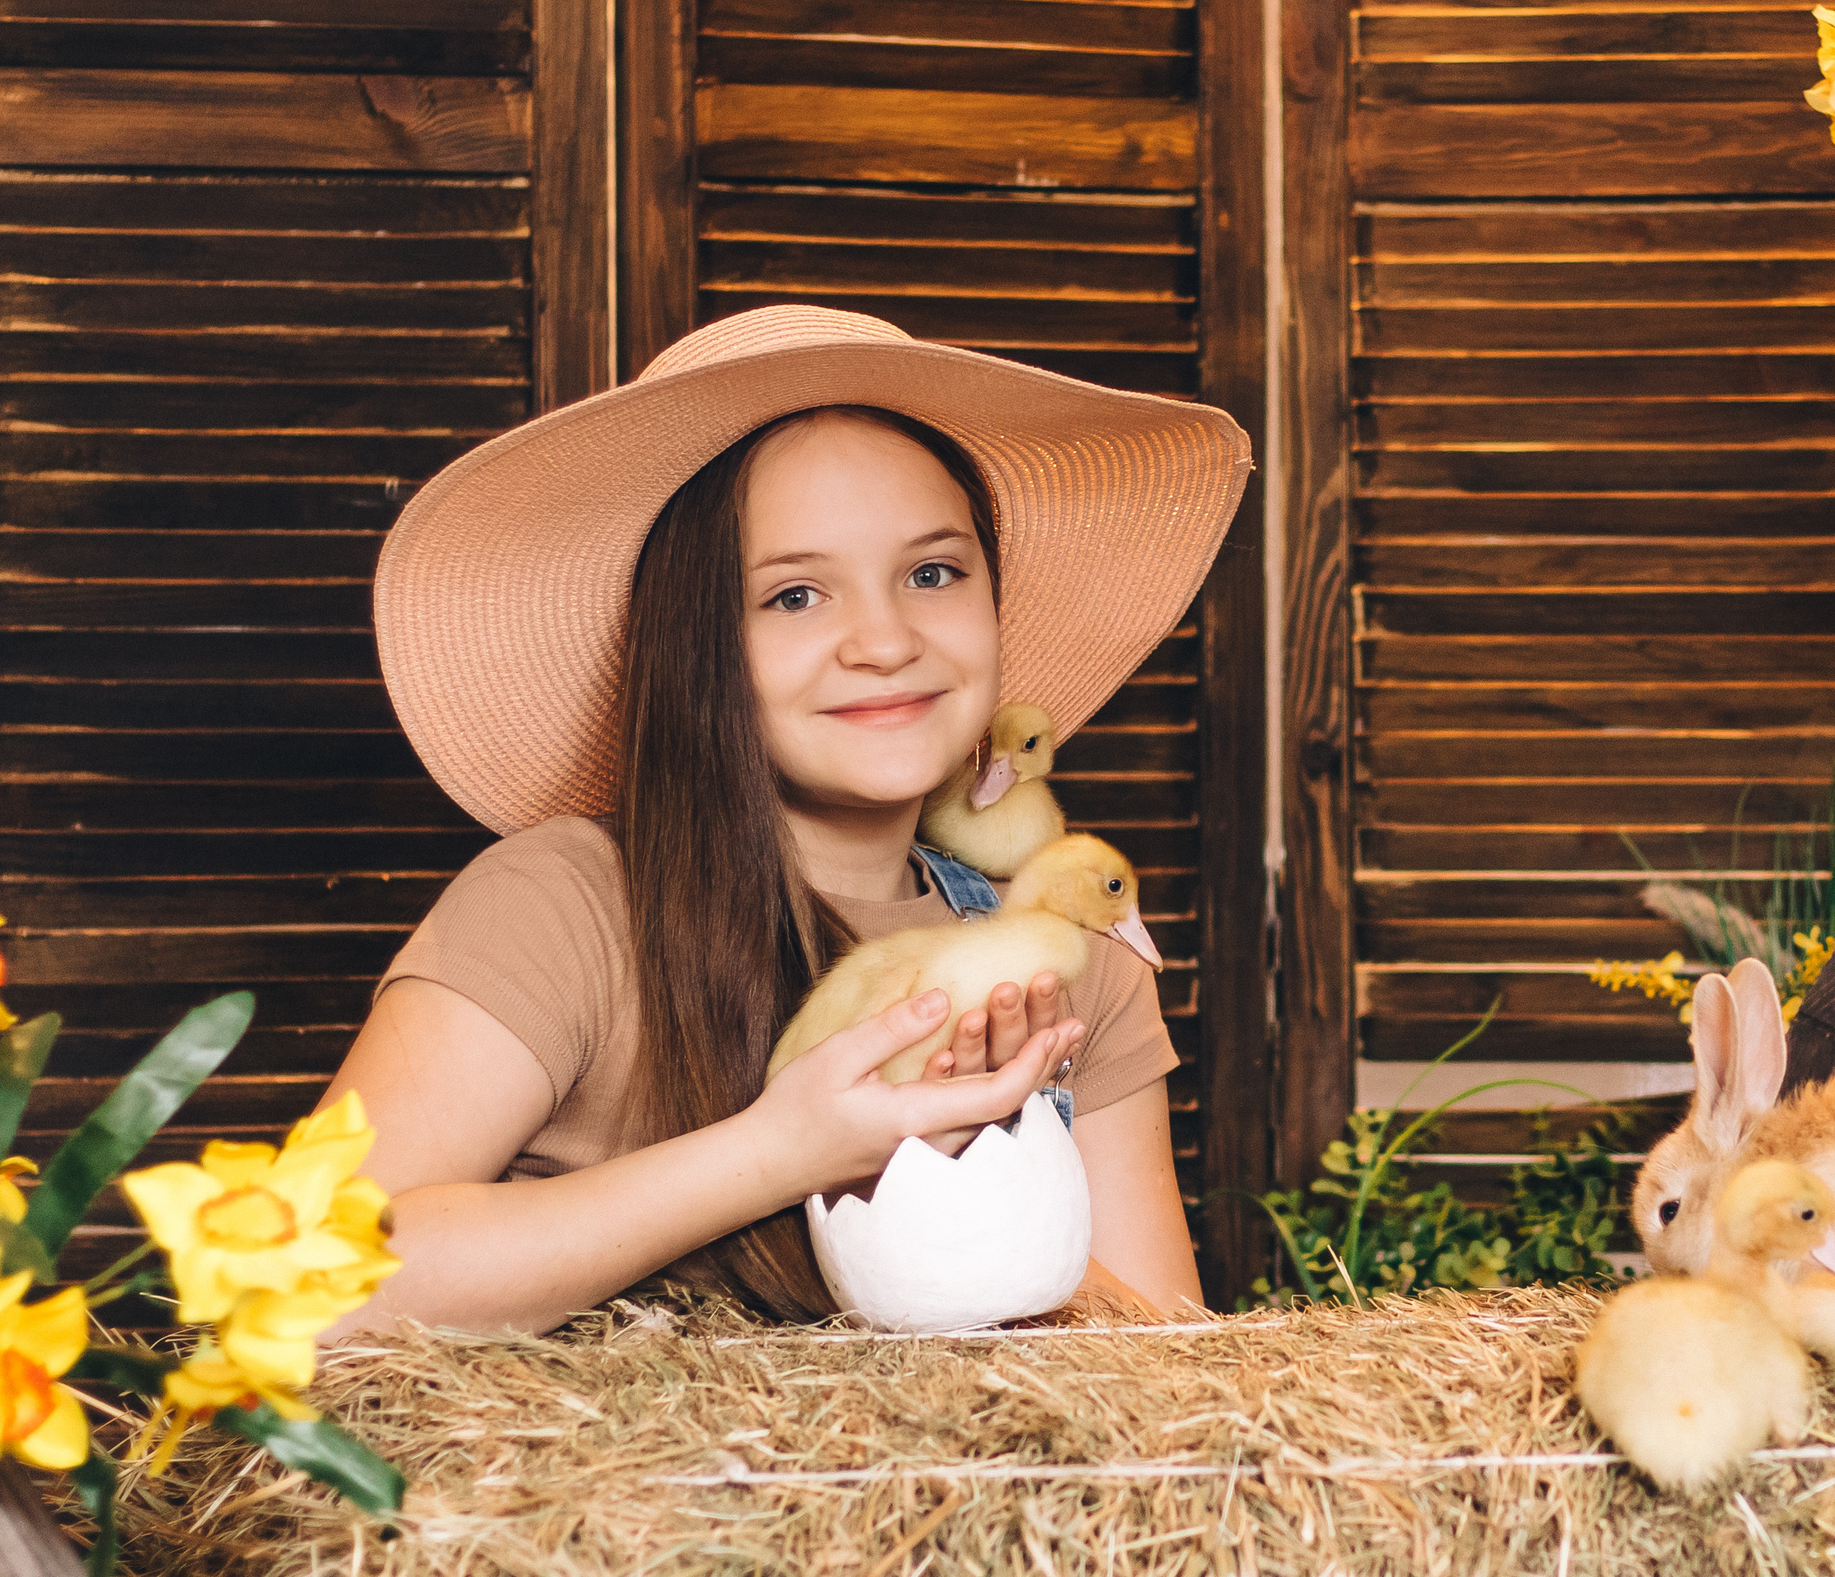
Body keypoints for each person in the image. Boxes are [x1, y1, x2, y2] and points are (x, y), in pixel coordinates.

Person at [324, 305, 1252, 1336]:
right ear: (696, 645)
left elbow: (1174, 1389)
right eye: (796, 594)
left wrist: (976, 1173)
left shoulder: (1072, 959)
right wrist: (787, 1150)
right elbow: (311, 1278)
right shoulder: (558, 906)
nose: (884, 639)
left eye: (933, 573)